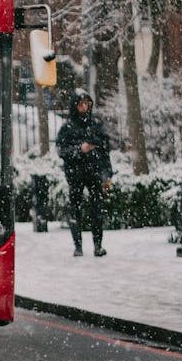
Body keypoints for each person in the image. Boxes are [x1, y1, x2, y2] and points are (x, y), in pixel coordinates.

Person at [56, 89, 113, 257]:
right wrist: (79, 150)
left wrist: (107, 173)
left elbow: (105, 150)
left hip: (94, 172)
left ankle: (97, 245)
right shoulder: (67, 128)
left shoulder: (96, 126)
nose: (84, 107)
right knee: (76, 209)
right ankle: (78, 246)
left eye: (87, 104)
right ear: (75, 106)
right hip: (76, 173)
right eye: (81, 104)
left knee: (96, 209)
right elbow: (61, 150)